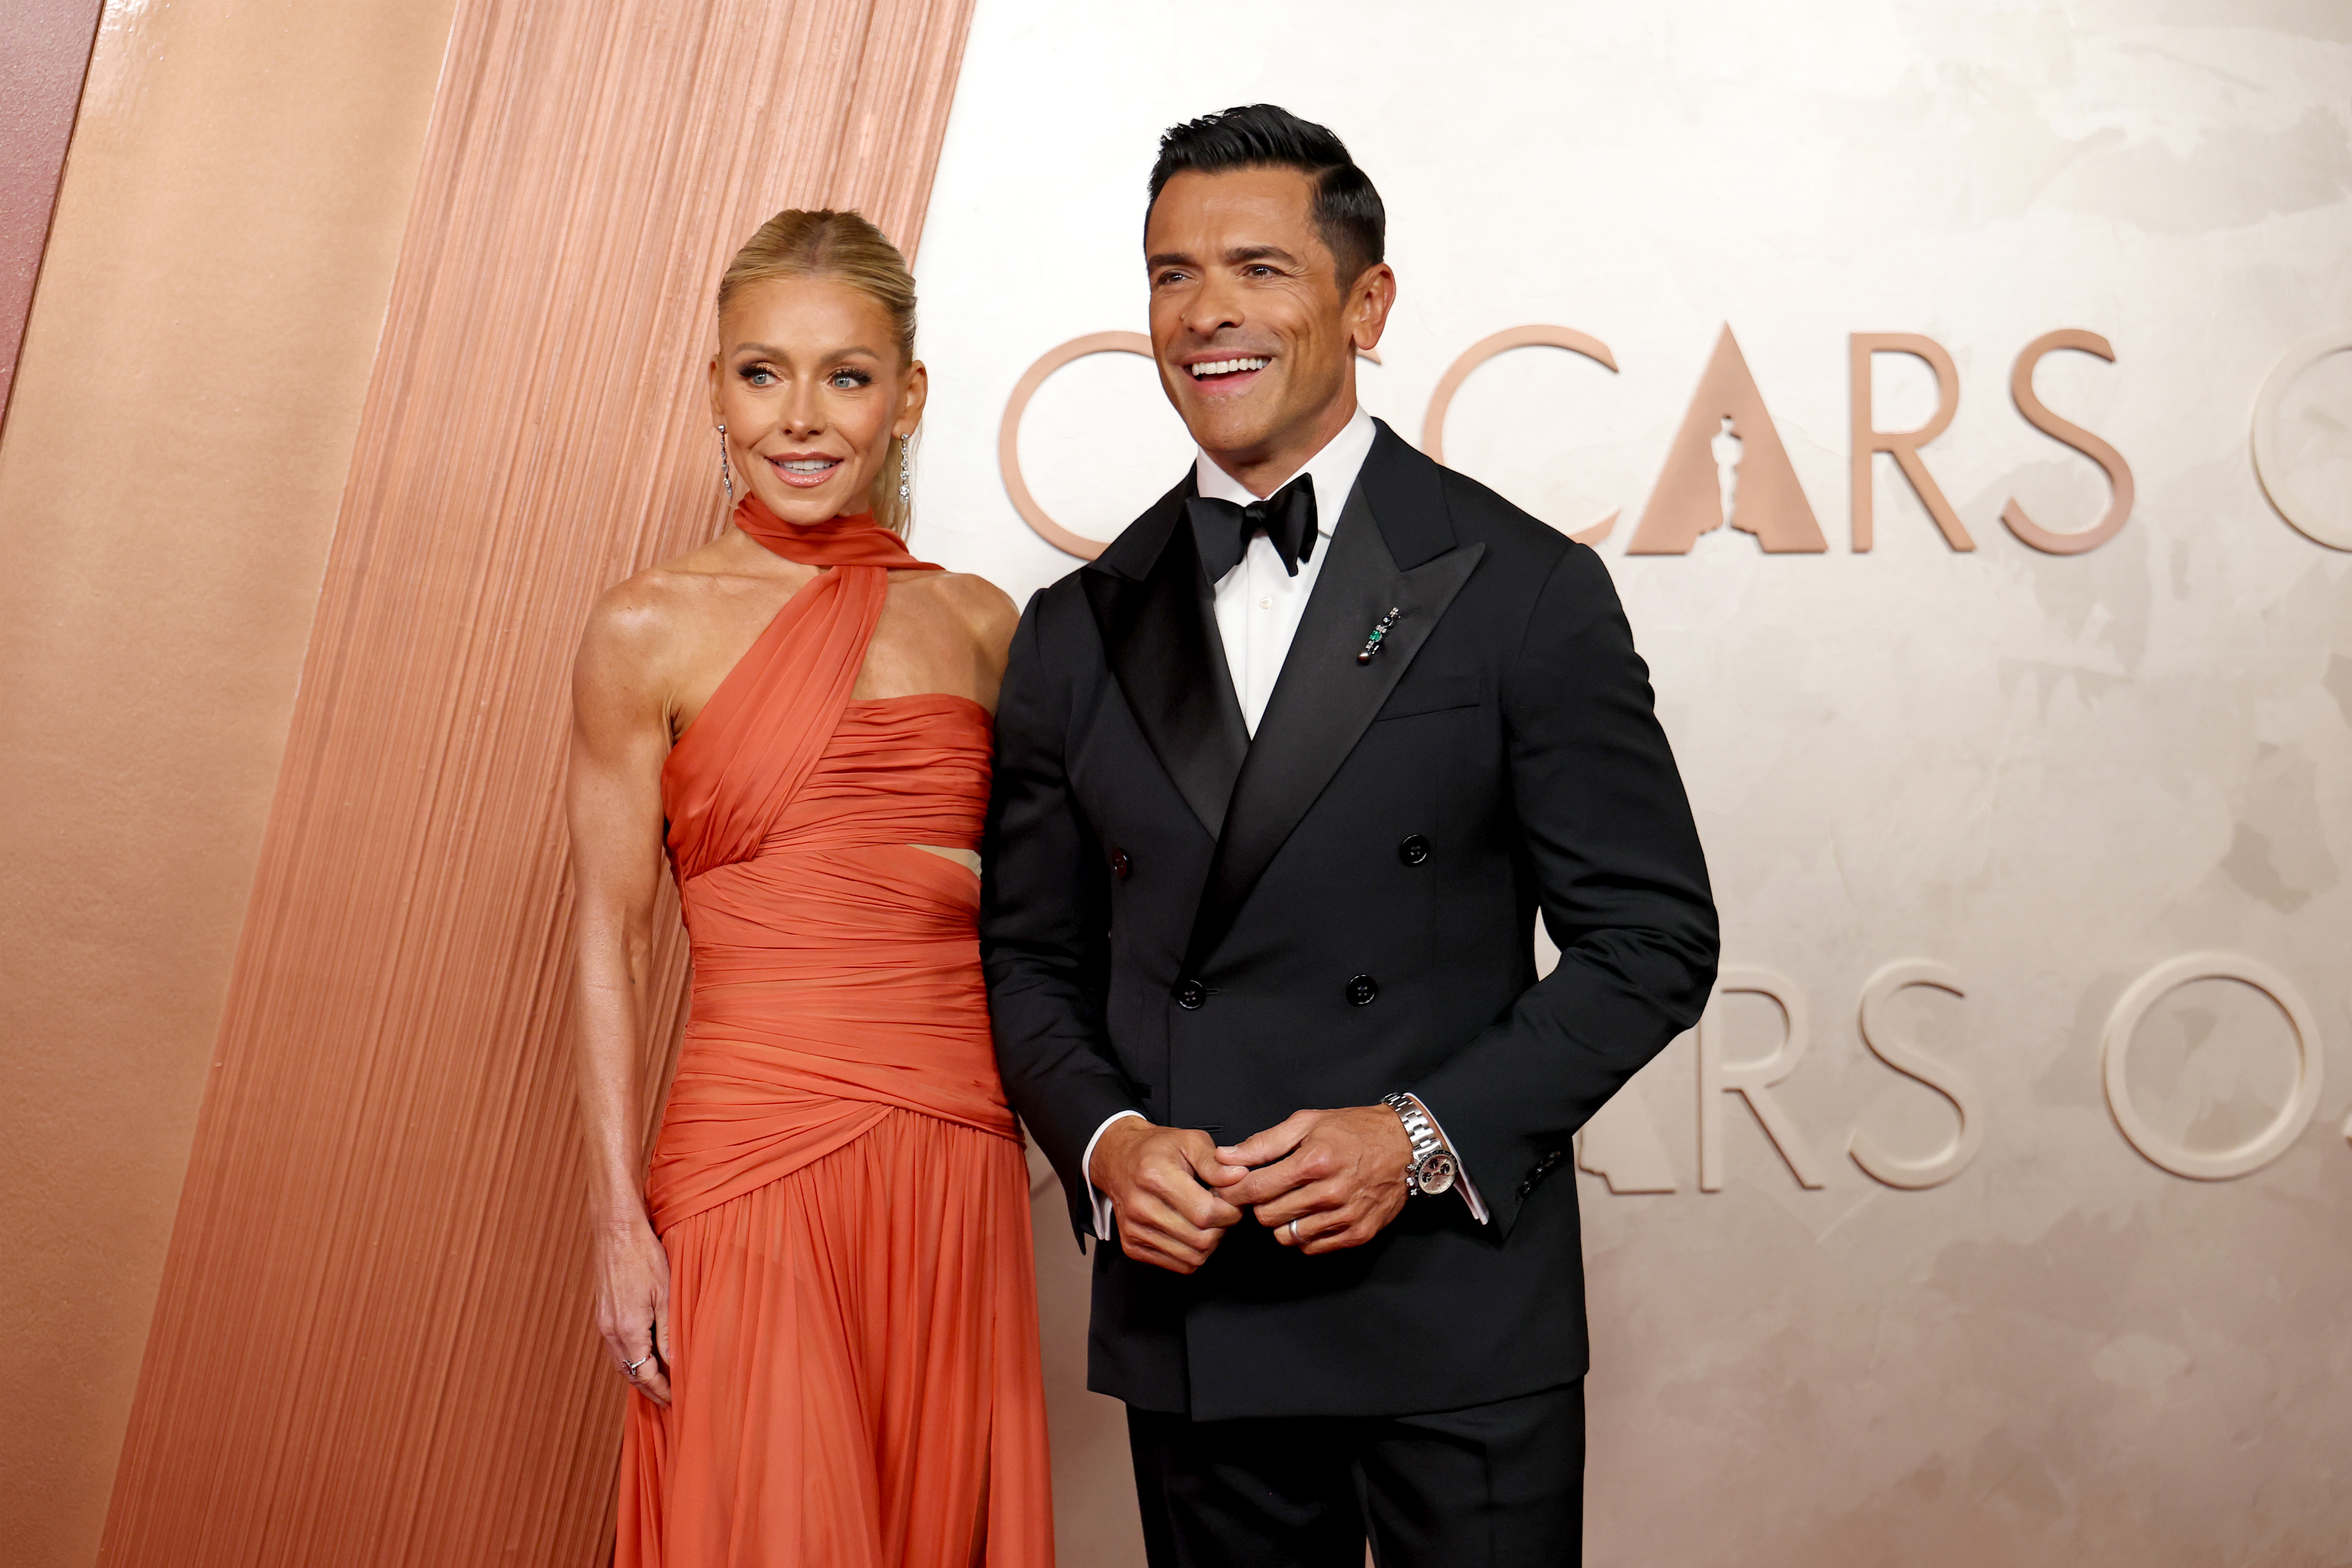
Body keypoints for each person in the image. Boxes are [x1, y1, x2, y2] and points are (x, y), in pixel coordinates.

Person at [982, 105, 1719, 1566]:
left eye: (1257, 267)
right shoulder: (1077, 630)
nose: (1207, 315)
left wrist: (1419, 1137)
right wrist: (1113, 1146)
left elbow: (1653, 941)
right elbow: (1027, 962)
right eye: (1170, 274)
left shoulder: (1522, 586)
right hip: (1201, 1306)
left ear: (1365, 303)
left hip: (1457, 1303)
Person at [565, 208, 1052, 1568]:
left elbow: (1046, 925)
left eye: (846, 375)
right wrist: (618, 1225)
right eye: (762, 372)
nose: (802, 418)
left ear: (908, 399)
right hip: (750, 1157)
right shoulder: (643, 626)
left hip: (953, 1148)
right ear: (714, 386)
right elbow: (605, 937)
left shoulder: (977, 625)